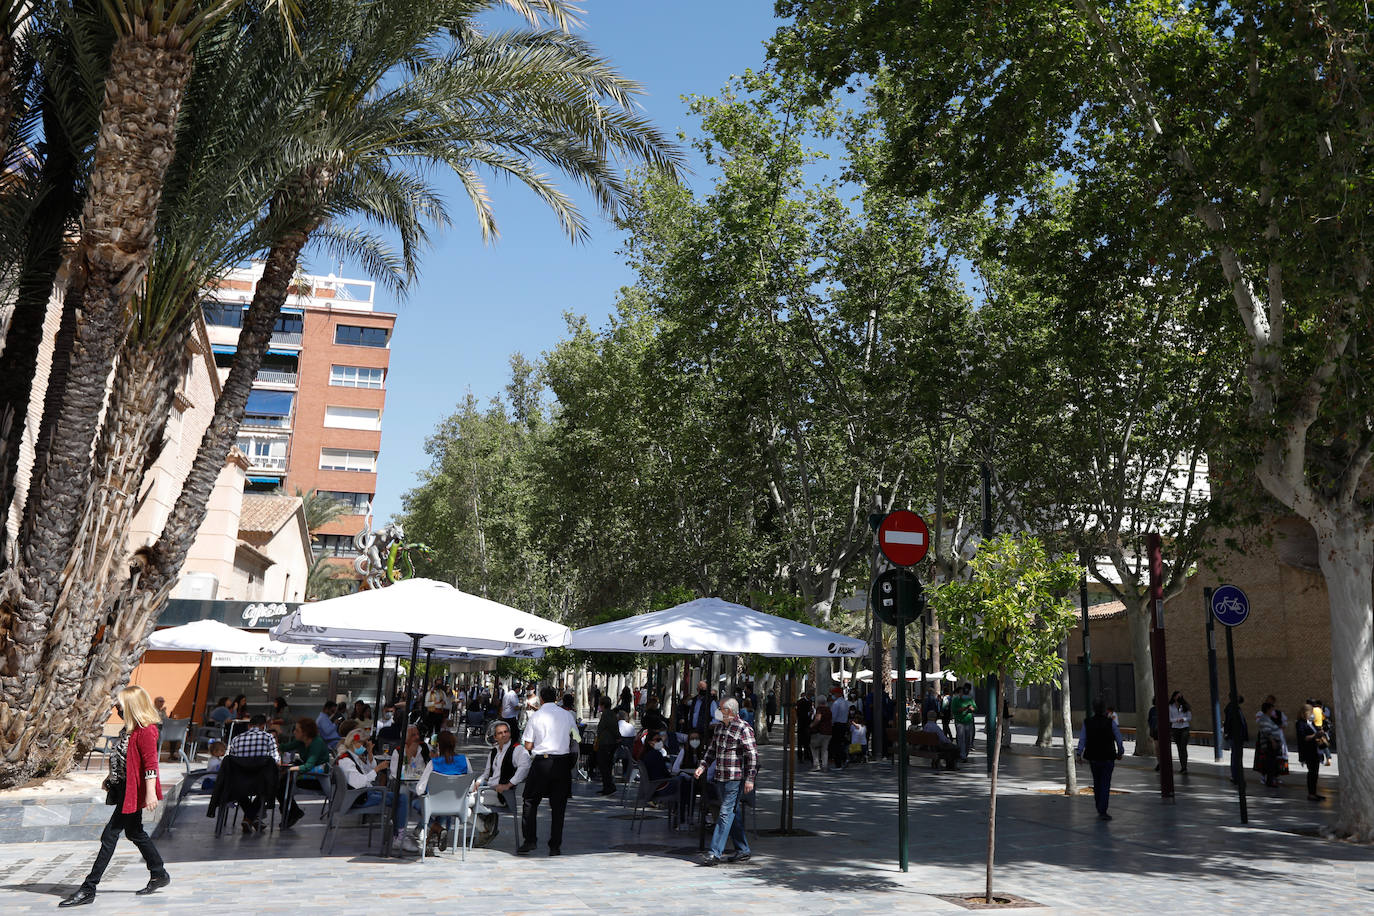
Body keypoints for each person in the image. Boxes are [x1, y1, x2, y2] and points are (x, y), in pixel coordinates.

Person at [61, 685, 169, 907]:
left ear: (131, 706)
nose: (116, 708)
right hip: (123, 789)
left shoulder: (146, 730)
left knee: (109, 836)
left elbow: (151, 764)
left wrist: (150, 793)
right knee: (135, 832)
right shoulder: (128, 729)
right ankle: (159, 873)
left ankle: (88, 888)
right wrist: (110, 779)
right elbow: (122, 758)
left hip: (134, 792)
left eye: (120, 704)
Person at [695, 698, 758, 866]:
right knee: (732, 813)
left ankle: (715, 852)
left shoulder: (744, 728)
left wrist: (750, 778)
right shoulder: (720, 727)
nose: (717, 711)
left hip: (735, 778)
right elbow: (712, 750)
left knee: (724, 813)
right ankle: (743, 850)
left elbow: (752, 755)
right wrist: (703, 766)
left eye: (720, 708)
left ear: (729, 711)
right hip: (720, 777)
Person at [520, 685, 576, 855]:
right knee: (559, 806)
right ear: (556, 697)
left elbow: (528, 744)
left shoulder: (536, 716)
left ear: (541, 699)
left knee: (530, 801)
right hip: (562, 764)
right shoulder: (567, 715)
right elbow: (576, 737)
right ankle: (555, 845)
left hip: (541, 763)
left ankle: (530, 840)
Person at [469, 720, 531, 848]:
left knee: (464, 802)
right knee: (466, 800)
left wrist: (509, 784)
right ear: (495, 736)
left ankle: (485, 829)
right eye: (500, 733)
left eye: (506, 732)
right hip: (488, 790)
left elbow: (525, 767)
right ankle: (485, 827)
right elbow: (486, 774)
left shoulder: (517, 749)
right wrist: (479, 781)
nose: (504, 735)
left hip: (502, 795)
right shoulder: (494, 752)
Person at [226, 713, 280, 832]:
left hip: (239, 783)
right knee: (266, 788)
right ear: (263, 726)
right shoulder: (268, 737)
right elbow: (276, 760)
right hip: (260, 783)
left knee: (240, 789)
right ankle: (251, 818)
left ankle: (249, 818)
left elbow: (230, 761)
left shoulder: (236, 739)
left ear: (249, 726)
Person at [1076, 698, 1125, 821]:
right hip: (1108, 757)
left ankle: (1099, 806)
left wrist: (1079, 754)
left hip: (1093, 757)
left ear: (1093, 709)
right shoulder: (1110, 723)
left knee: (1097, 782)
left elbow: (1082, 739)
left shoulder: (1088, 722)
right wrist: (1120, 752)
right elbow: (1119, 738)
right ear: (1105, 710)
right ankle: (1103, 809)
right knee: (1105, 783)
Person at [277, 717, 327, 828]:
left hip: (320, 779)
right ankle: (292, 813)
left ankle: (291, 813)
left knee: (283, 784)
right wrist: (274, 744)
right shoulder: (301, 742)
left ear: (305, 733)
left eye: (297, 730)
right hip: (309, 775)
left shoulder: (316, 743)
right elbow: (285, 747)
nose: (294, 732)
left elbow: (309, 765)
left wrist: (291, 769)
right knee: (281, 784)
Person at [1296, 703, 1325, 801]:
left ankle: (1314, 792)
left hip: (1315, 751)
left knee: (1315, 773)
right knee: (1312, 772)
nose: (1312, 714)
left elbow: (1314, 732)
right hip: (1308, 752)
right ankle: (1311, 794)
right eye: (1311, 712)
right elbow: (1303, 738)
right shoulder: (1300, 723)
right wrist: (1315, 735)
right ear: (1305, 713)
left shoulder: (1310, 722)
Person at [594, 697, 619, 796]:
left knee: (605, 766)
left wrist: (617, 736)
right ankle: (606, 786)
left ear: (603, 705)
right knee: (604, 766)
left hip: (607, 744)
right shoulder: (607, 713)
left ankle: (609, 787)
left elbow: (612, 727)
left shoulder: (608, 714)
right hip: (605, 743)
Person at [1256, 701, 1284, 787]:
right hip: (1269, 745)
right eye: (1272, 709)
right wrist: (1273, 741)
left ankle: (1272, 779)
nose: (1273, 711)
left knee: (1272, 762)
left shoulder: (1268, 719)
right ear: (1268, 709)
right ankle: (1270, 781)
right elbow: (1266, 732)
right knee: (1270, 762)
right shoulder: (1264, 719)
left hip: (1272, 744)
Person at [1223, 695, 1249, 785]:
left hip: (1237, 736)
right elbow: (1231, 723)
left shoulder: (1235, 708)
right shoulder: (1232, 708)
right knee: (1236, 757)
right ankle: (1236, 777)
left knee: (1236, 756)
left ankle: (1236, 776)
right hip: (1235, 736)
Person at [952, 683, 978, 762]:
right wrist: (965, 708)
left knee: (967, 739)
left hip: (968, 721)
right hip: (959, 722)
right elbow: (954, 710)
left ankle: (965, 754)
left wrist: (972, 709)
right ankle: (962, 755)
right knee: (961, 739)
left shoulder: (970, 699)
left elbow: (975, 708)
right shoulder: (955, 700)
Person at [1168, 691, 1193, 774]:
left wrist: (1184, 719)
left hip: (1184, 727)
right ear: (1174, 697)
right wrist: (1176, 720)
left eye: (1180, 697)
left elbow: (1189, 717)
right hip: (1175, 728)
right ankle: (1182, 766)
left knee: (1183, 747)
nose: (1179, 698)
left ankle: (1184, 767)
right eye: (1178, 696)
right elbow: (1169, 718)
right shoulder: (1170, 706)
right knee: (1179, 747)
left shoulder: (1185, 706)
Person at [810, 695, 831, 771]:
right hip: (828, 732)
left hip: (820, 731)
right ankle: (825, 766)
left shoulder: (819, 709)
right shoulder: (829, 709)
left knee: (814, 747)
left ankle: (816, 765)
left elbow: (818, 719)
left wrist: (811, 725)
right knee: (825, 749)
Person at [795, 693, 814, 765]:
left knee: (806, 741)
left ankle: (805, 756)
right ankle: (802, 756)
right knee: (802, 742)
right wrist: (809, 713)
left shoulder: (808, 702)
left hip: (805, 724)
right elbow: (800, 713)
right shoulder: (801, 702)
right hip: (803, 724)